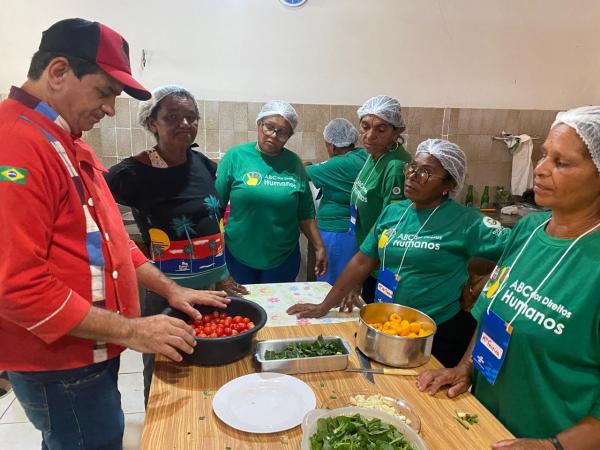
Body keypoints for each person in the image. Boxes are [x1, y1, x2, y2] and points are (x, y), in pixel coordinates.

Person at [0, 18, 227, 449]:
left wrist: (171, 290)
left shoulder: (63, 140)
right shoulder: (15, 144)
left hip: (88, 351)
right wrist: (135, 330)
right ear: (59, 71)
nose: (109, 109)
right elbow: (17, 288)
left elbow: (112, 239)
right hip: (60, 363)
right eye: (105, 92)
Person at [417, 107, 600, 449]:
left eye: (561, 163)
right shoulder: (529, 229)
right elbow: (493, 313)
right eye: (545, 155)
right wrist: (465, 367)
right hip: (485, 424)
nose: (540, 170)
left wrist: (551, 446)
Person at [288, 139, 510, 367]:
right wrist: (325, 306)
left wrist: (478, 288)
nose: (412, 176)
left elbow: (521, 251)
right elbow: (363, 261)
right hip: (389, 325)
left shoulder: (467, 222)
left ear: (448, 184)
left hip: (438, 331)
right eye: (412, 167)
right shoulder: (394, 212)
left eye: (425, 173)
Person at [105, 85, 247, 404]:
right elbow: (95, 208)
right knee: (163, 372)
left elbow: (213, 221)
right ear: (152, 122)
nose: (184, 124)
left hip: (209, 289)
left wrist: (223, 274)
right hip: (164, 294)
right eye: (173, 116)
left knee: (207, 364)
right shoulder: (133, 171)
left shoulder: (204, 165)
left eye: (190, 117)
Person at [215, 100, 327, 284]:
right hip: (238, 254)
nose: (274, 135)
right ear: (259, 124)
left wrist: (319, 247)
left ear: (289, 136)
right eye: (269, 127)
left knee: (276, 310)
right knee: (242, 310)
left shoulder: (294, 164)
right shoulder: (235, 157)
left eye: (282, 132)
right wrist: (214, 256)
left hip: (283, 257)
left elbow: (305, 213)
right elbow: (215, 208)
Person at [348, 95, 412, 304]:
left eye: (381, 129)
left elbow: (390, 228)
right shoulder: (373, 155)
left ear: (397, 132)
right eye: (365, 126)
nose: (369, 135)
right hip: (367, 257)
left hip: (380, 266)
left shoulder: (394, 167)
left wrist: (360, 275)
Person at [306, 118, 368, 286]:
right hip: (352, 230)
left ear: (332, 146)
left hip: (336, 233)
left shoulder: (339, 163)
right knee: (347, 280)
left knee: (331, 283)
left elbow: (302, 174)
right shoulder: (362, 156)